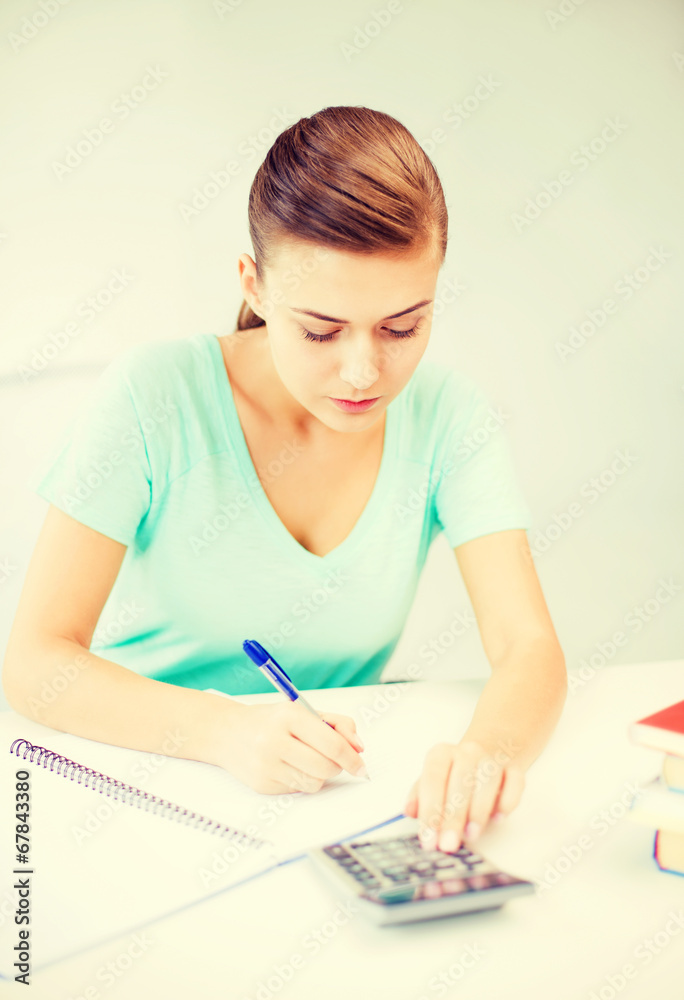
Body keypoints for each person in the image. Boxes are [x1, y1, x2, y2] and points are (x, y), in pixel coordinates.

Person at [2, 105, 566, 855]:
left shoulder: (449, 418)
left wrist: (487, 754)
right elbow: (34, 662)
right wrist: (224, 731)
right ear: (255, 287)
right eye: (320, 330)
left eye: (402, 327)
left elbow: (529, 646)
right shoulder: (153, 396)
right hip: (132, 786)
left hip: (324, 806)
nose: (364, 373)